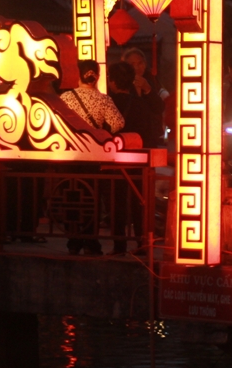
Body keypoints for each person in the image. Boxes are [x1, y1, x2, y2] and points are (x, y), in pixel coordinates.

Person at [60, 59, 125, 256]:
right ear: (97, 76)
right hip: (93, 157)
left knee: (71, 197)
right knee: (91, 198)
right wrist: (101, 132)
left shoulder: (65, 98)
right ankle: (90, 241)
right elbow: (118, 123)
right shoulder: (103, 99)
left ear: (78, 75)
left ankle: (73, 241)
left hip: (70, 156)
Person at [107, 62, 150, 253]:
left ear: (113, 82)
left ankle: (119, 244)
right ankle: (142, 242)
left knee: (117, 202)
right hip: (138, 158)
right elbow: (148, 130)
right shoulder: (140, 103)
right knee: (139, 201)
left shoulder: (109, 102)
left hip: (115, 159)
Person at [122, 48, 166, 146]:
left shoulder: (150, 81)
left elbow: (159, 108)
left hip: (150, 137)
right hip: (130, 136)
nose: (137, 67)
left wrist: (148, 89)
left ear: (145, 64)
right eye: (132, 64)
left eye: (140, 63)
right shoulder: (122, 85)